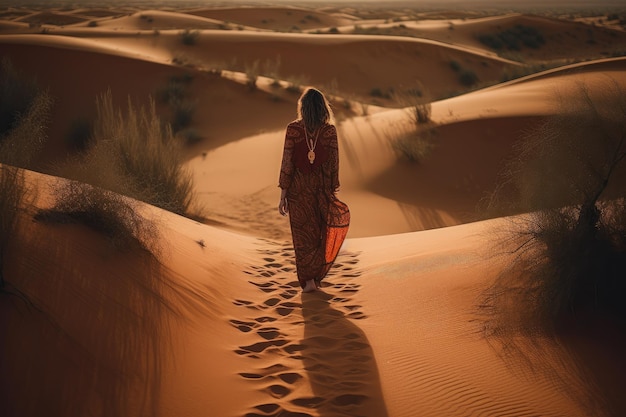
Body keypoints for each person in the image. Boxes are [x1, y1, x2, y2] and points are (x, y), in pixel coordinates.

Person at [278, 88, 350, 293]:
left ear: (303, 107)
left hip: (297, 193)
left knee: (302, 238)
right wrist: (331, 190)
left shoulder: (292, 129)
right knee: (320, 235)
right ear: (322, 108)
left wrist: (283, 194)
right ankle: (315, 278)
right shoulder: (329, 131)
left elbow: (287, 163)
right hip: (320, 191)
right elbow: (334, 164)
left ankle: (309, 280)